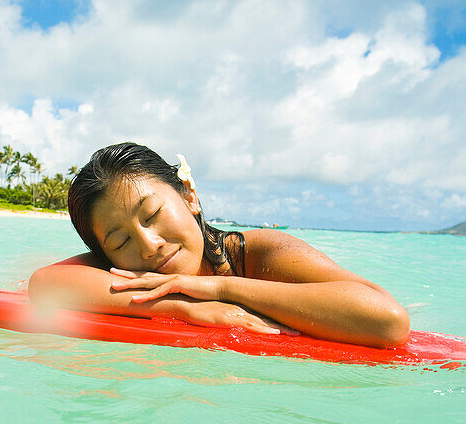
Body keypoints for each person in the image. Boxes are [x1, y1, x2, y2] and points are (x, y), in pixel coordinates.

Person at [28, 142, 410, 347]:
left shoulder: (262, 253)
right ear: (105, 253)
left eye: (152, 215)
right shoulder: (127, 271)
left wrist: (221, 287)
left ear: (189, 196)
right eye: (121, 239)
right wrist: (182, 306)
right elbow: (44, 283)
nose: (149, 245)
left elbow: (388, 321)